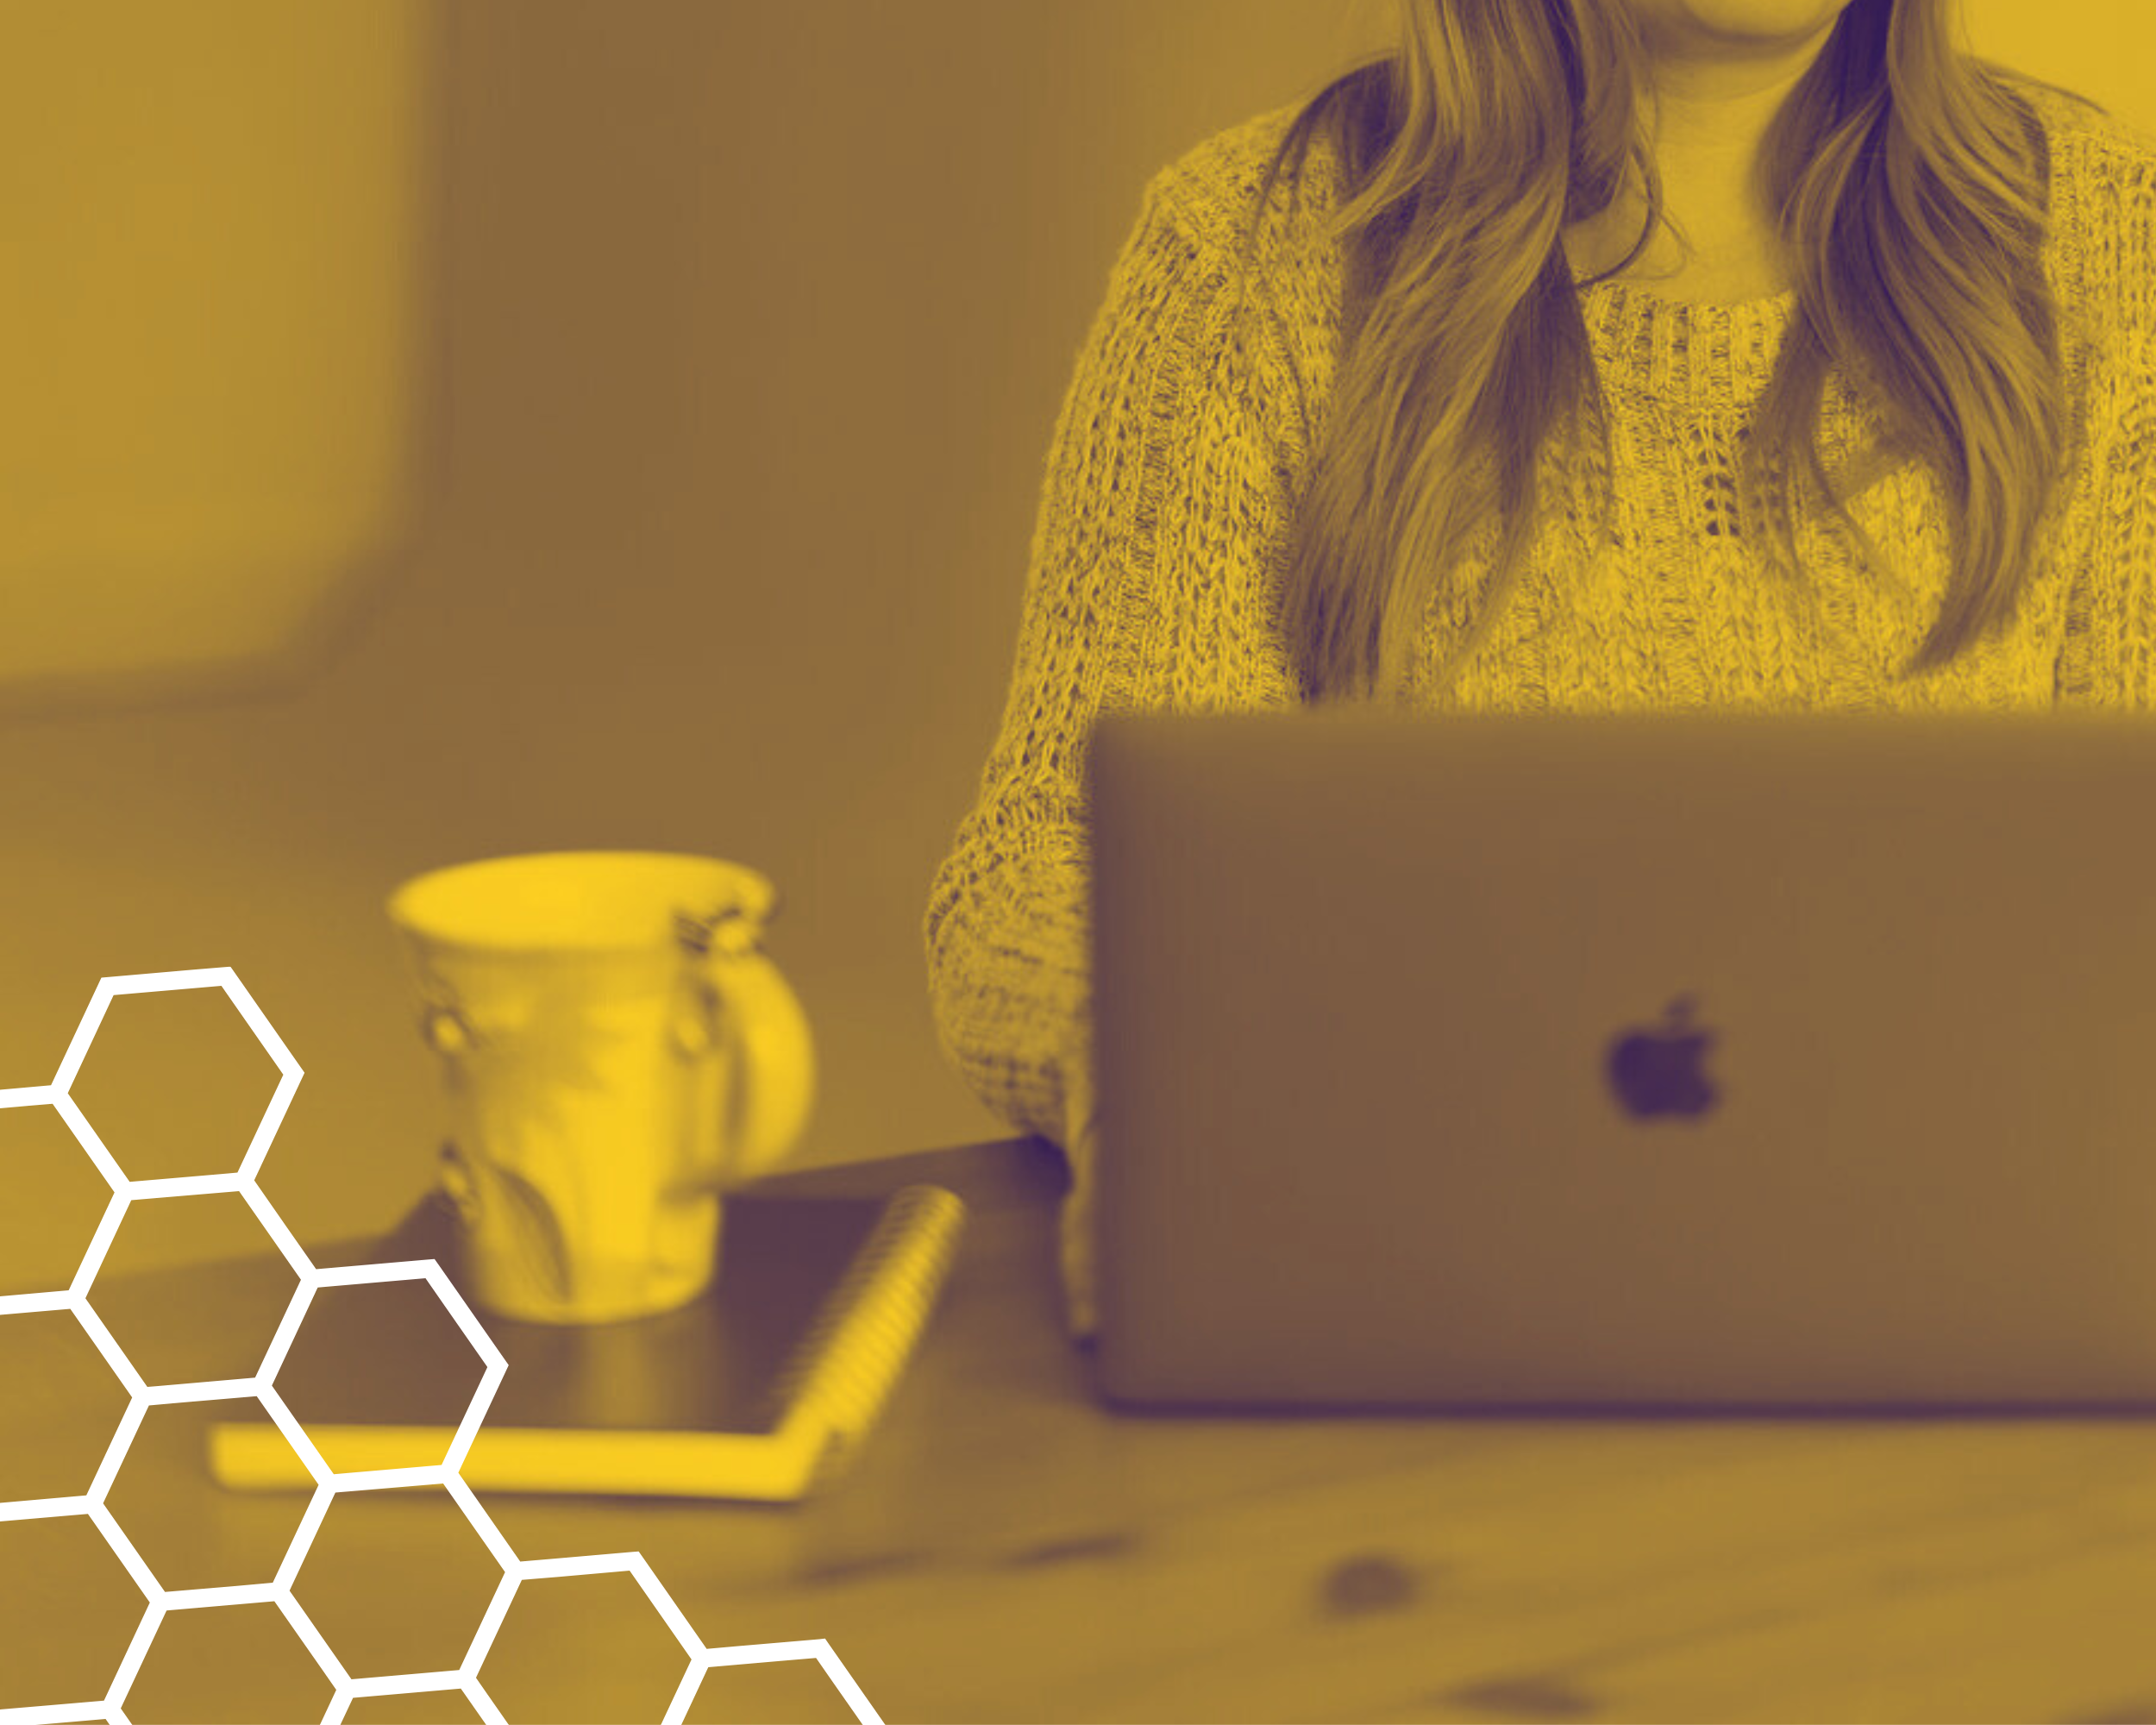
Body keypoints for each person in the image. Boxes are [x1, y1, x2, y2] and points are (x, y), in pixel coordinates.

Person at [923, 0, 2156, 1340]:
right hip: (1410, 1305)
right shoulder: (1257, 244)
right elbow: (1050, 871)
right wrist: (1141, 1088)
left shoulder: (2103, 236)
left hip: (1958, 1323)